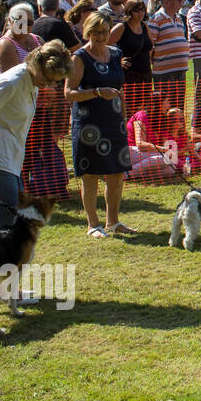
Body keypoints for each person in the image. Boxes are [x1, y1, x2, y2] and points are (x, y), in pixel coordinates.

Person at [0, 40, 72, 228]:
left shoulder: (31, 80)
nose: (49, 84)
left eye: (54, 80)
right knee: (10, 229)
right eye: (48, 77)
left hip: (10, 161)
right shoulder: (11, 82)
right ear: (36, 63)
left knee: (13, 229)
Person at [65, 13, 135, 238]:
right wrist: (96, 92)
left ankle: (113, 222)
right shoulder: (79, 57)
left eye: (105, 31)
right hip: (89, 125)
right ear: (87, 32)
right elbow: (69, 93)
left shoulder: (116, 54)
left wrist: (124, 118)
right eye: (96, 32)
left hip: (114, 123)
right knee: (91, 175)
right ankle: (93, 224)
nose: (101, 36)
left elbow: (119, 90)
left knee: (116, 174)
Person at [0, 3, 44, 74]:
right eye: (20, 22)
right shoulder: (5, 45)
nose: (24, 26)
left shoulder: (38, 39)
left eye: (29, 22)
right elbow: (17, 77)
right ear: (10, 21)